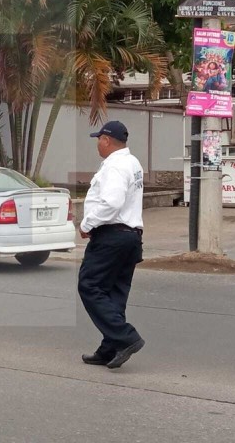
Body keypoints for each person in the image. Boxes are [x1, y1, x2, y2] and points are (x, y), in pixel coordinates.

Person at [78, 120, 145, 369]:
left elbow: (111, 203)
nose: (97, 144)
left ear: (106, 140)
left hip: (112, 236)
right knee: (114, 292)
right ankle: (110, 348)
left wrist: (87, 224)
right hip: (130, 236)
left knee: (90, 285)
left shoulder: (114, 167)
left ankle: (127, 337)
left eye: (99, 139)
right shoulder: (132, 162)